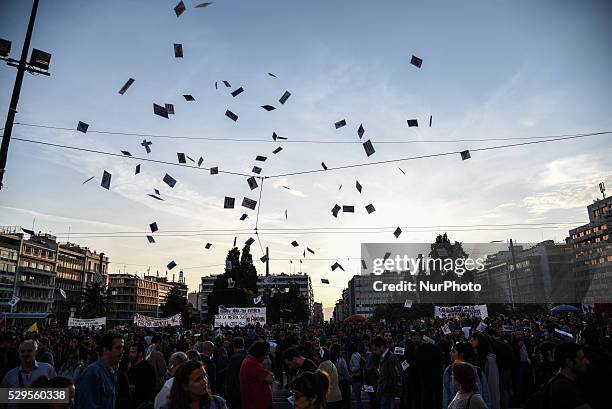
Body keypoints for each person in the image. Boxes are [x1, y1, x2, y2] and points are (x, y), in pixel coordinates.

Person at [74, 331, 125, 409]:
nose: (122, 351)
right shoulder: (93, 373)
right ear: (105, 349)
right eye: (118, 348)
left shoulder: (111, 372)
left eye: (123, 347)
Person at [442, 342, 491, 409]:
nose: (450, 353)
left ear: (461, 354)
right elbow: (446, 396)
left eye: (453, 351)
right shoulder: (449, 371)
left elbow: (486, 395)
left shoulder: (477, 371)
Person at [545, 342, 591, 409]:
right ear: (568, 362)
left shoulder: (573, 381)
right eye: (582, 358)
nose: (587, 362)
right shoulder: (562, 386)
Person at [240, 340, 274, 409]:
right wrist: (271, 374)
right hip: (257, 404)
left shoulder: (250, 361)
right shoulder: (251, 364)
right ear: (259, 353)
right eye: (265, 355)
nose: (265, 357)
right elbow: (270, 378)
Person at [470, 333, 499, 409]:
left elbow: (492, 384)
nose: (471, 341)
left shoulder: (489, 359)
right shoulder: (476, 356)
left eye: (474, 339)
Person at [372, 336, 402, 409]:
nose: (375, 352)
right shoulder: (383, 357)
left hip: (389, 394)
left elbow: (397, 376)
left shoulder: (391, 358)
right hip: (384, 393)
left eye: (376, 349)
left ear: (382, 347)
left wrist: (397, 396)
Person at [128, 341, 157, 408]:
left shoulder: (147, 368)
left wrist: (133, 388)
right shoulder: (131, 366)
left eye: (133, 352)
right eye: (130, 352)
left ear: (140, 353)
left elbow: (150, 387)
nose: (130, 354)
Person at [225, 337, 247, 409]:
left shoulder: (233, 358)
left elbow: (230, 378)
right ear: (243, 345)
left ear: (233, 345)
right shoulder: (249, 356)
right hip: (248, 391)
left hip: (237, 392)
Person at [330, 343, 351, 409]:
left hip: (333, 386)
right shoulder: (341, 360)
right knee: (345, 404)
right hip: (342, 385)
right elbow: (346, 374)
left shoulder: (329, 361)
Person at [348, 342, 366, 409]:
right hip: (359, 377)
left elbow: (356, 366)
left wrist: (351, 370)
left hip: (356, 377)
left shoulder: (353, 355)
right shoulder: (358, 354)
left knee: (357, 397)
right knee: (357, 397)